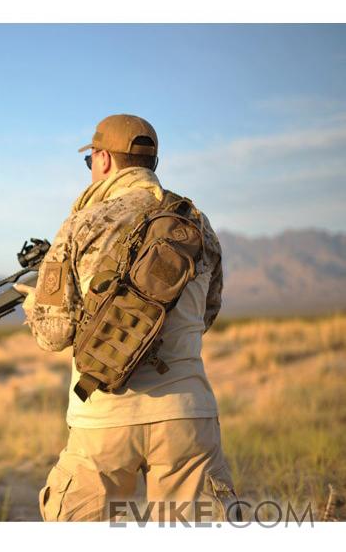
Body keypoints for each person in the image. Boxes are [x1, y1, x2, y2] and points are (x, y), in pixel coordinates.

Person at [13, 114, 239, 522]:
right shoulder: (197, 223)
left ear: (103, 159)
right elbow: (208, 312)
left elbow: (53, 334)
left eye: (91, 161)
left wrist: (34, 303)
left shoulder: (83, 223)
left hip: (104, 416)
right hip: (187, 414)